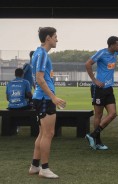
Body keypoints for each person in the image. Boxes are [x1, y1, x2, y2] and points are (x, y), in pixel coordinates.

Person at [28, 27, 66, 179]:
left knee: (43, 133)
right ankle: (44, 168)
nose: (57, 39)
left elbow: (37, 79)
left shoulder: (37, 53)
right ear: (48, 38)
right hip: (44, 99)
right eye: (55, 36)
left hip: (40, 98)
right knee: (48, 134)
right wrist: (53, 97)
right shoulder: (42, 54)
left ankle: (34, 166)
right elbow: (39, 78)